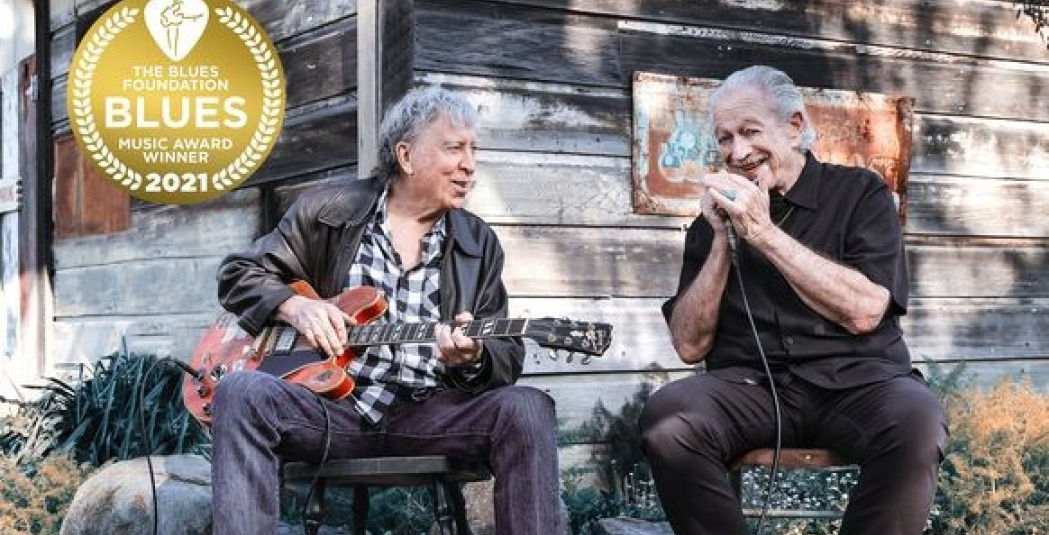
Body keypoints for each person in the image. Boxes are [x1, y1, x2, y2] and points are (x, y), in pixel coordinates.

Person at [210, 86, 562, 535]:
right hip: (330, 408)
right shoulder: (328, 212)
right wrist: (294, 306)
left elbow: (506, 356)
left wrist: (473, 359)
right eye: (454, 147)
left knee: (527, 408)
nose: (470, 165)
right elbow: (238, 273)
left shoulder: (478, 242)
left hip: (431, 412)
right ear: (406, 155)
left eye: (474, 149)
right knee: (240, 392)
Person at [639, 65, 947, 535]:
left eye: (749, 132)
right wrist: (723, 238)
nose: (737, 152)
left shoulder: (860, 193)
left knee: (917, 424)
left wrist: (762, 233)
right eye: (724, 139)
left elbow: (865, 311)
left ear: (794, 126)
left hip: (858, 384)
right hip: (752, 389)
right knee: (668, 420)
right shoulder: (713, 221)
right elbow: (689, 345)